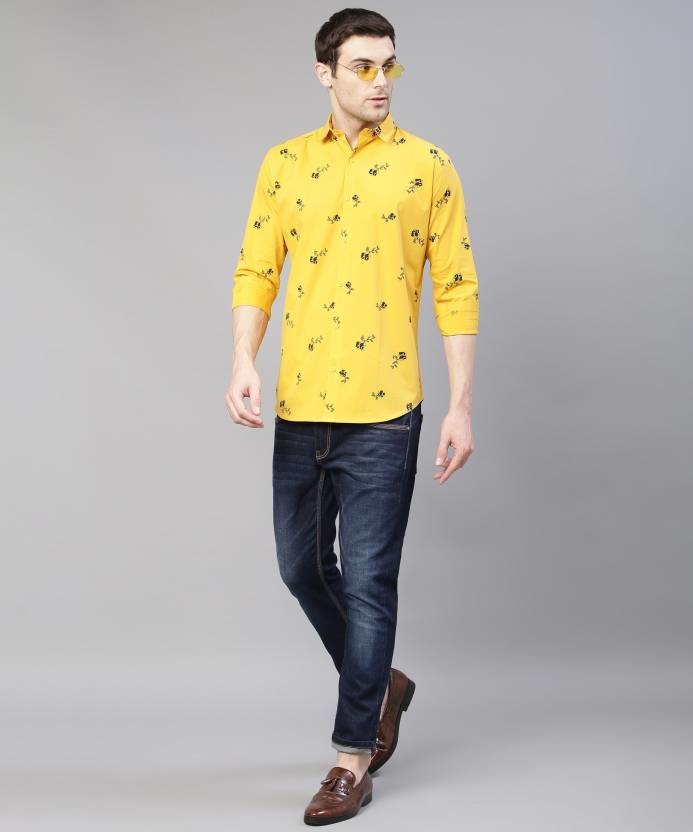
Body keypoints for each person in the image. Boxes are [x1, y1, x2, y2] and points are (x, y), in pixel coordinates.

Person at [225, 8, 479, 825]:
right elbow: (257, 268)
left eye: (388, 66)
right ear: (324, 73)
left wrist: (460, 405)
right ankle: (384, 685)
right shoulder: (284, 163)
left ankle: (350, 758)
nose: (379, 82)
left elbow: (456, 287)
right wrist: (242, 360)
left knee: (369, 582)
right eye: (363, 67)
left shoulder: (427, 165)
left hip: (385, 411)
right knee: (301, 569)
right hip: (301, 405)